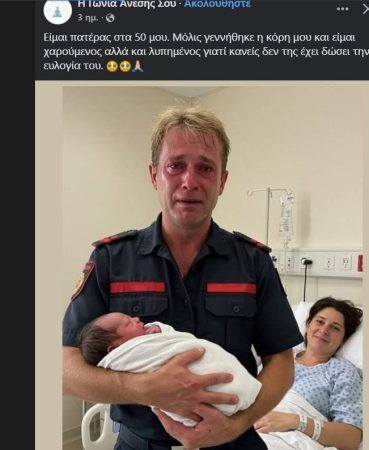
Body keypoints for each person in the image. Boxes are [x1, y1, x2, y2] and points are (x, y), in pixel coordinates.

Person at [62, 105, 304, 450]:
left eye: (205, 168)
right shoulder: (110, 260)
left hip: (234, 442)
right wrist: (145, 389)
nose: (189, 181)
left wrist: (236, 424)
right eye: (175, 166)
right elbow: (64, 369)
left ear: (222, 181)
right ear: (154, 175)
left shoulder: (254, 263)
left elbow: (280, 362)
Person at [78, 312, 262, 426]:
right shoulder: (126, 356)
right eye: (128, 323)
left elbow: (175, 338)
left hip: (237, 432)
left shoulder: (149, 332)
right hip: (142, 437)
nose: (136, 318)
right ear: (115, 349)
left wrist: (160, 329)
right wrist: (146, 387)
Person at [254, 297, 363, 450]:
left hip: (287, 439)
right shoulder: (280, 356)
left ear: (343, 340)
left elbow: (351, 438)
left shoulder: (343, 371)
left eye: (335, 328)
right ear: (308, 325)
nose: (324, 330)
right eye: (320, 322)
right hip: (249, 425)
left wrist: (295, 421)